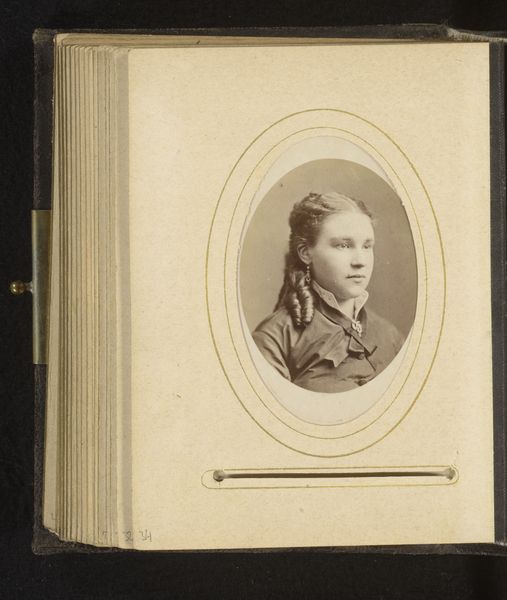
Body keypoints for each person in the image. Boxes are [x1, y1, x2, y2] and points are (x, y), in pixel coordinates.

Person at [252, 191, 404, 393]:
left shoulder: (391, 335)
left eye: (367, 246)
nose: (360, 261)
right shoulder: (274, 338)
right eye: (344, 245)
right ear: (306, 253)